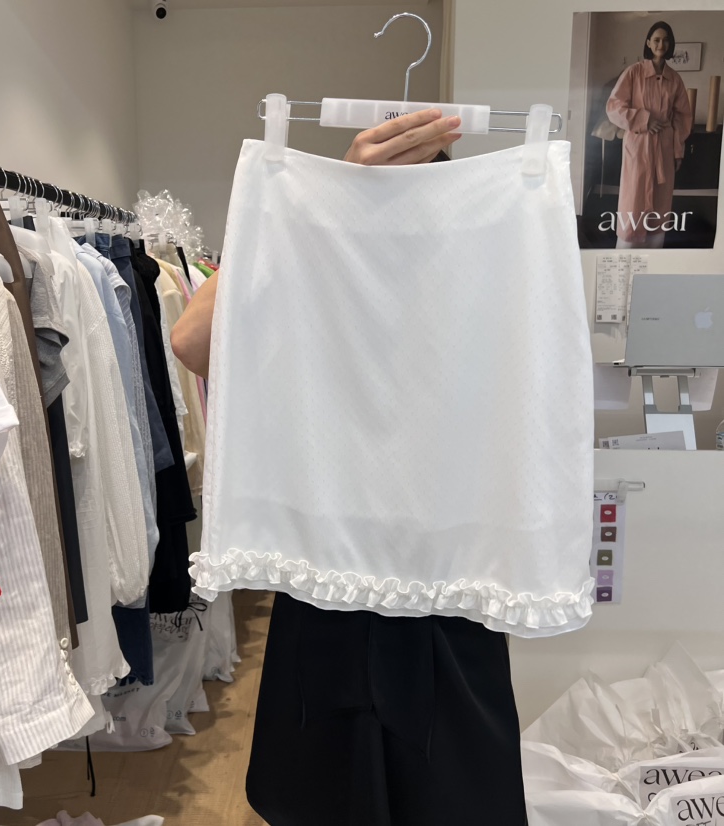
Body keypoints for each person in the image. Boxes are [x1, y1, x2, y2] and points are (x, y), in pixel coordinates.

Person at [172, 109, 527, 826]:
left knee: (458, 797)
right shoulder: (312, 263)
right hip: (331, 573)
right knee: (327, 794)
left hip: (451, 580)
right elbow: (192, 340)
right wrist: (321, 202)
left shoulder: (489, 262)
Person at [606, 20, 693, 249]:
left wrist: (677, 150)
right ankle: (625, 253)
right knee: (634, 197)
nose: (661, 44)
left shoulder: (675, 79)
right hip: (638, 146)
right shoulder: (633, 73)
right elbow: (614, 107)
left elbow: (682, 117)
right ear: (648, 43)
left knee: (660, 202)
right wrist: (643, 120)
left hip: (664, 147)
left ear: (670, 44)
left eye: (665, 40)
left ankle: (654, 256)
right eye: (656, 40)